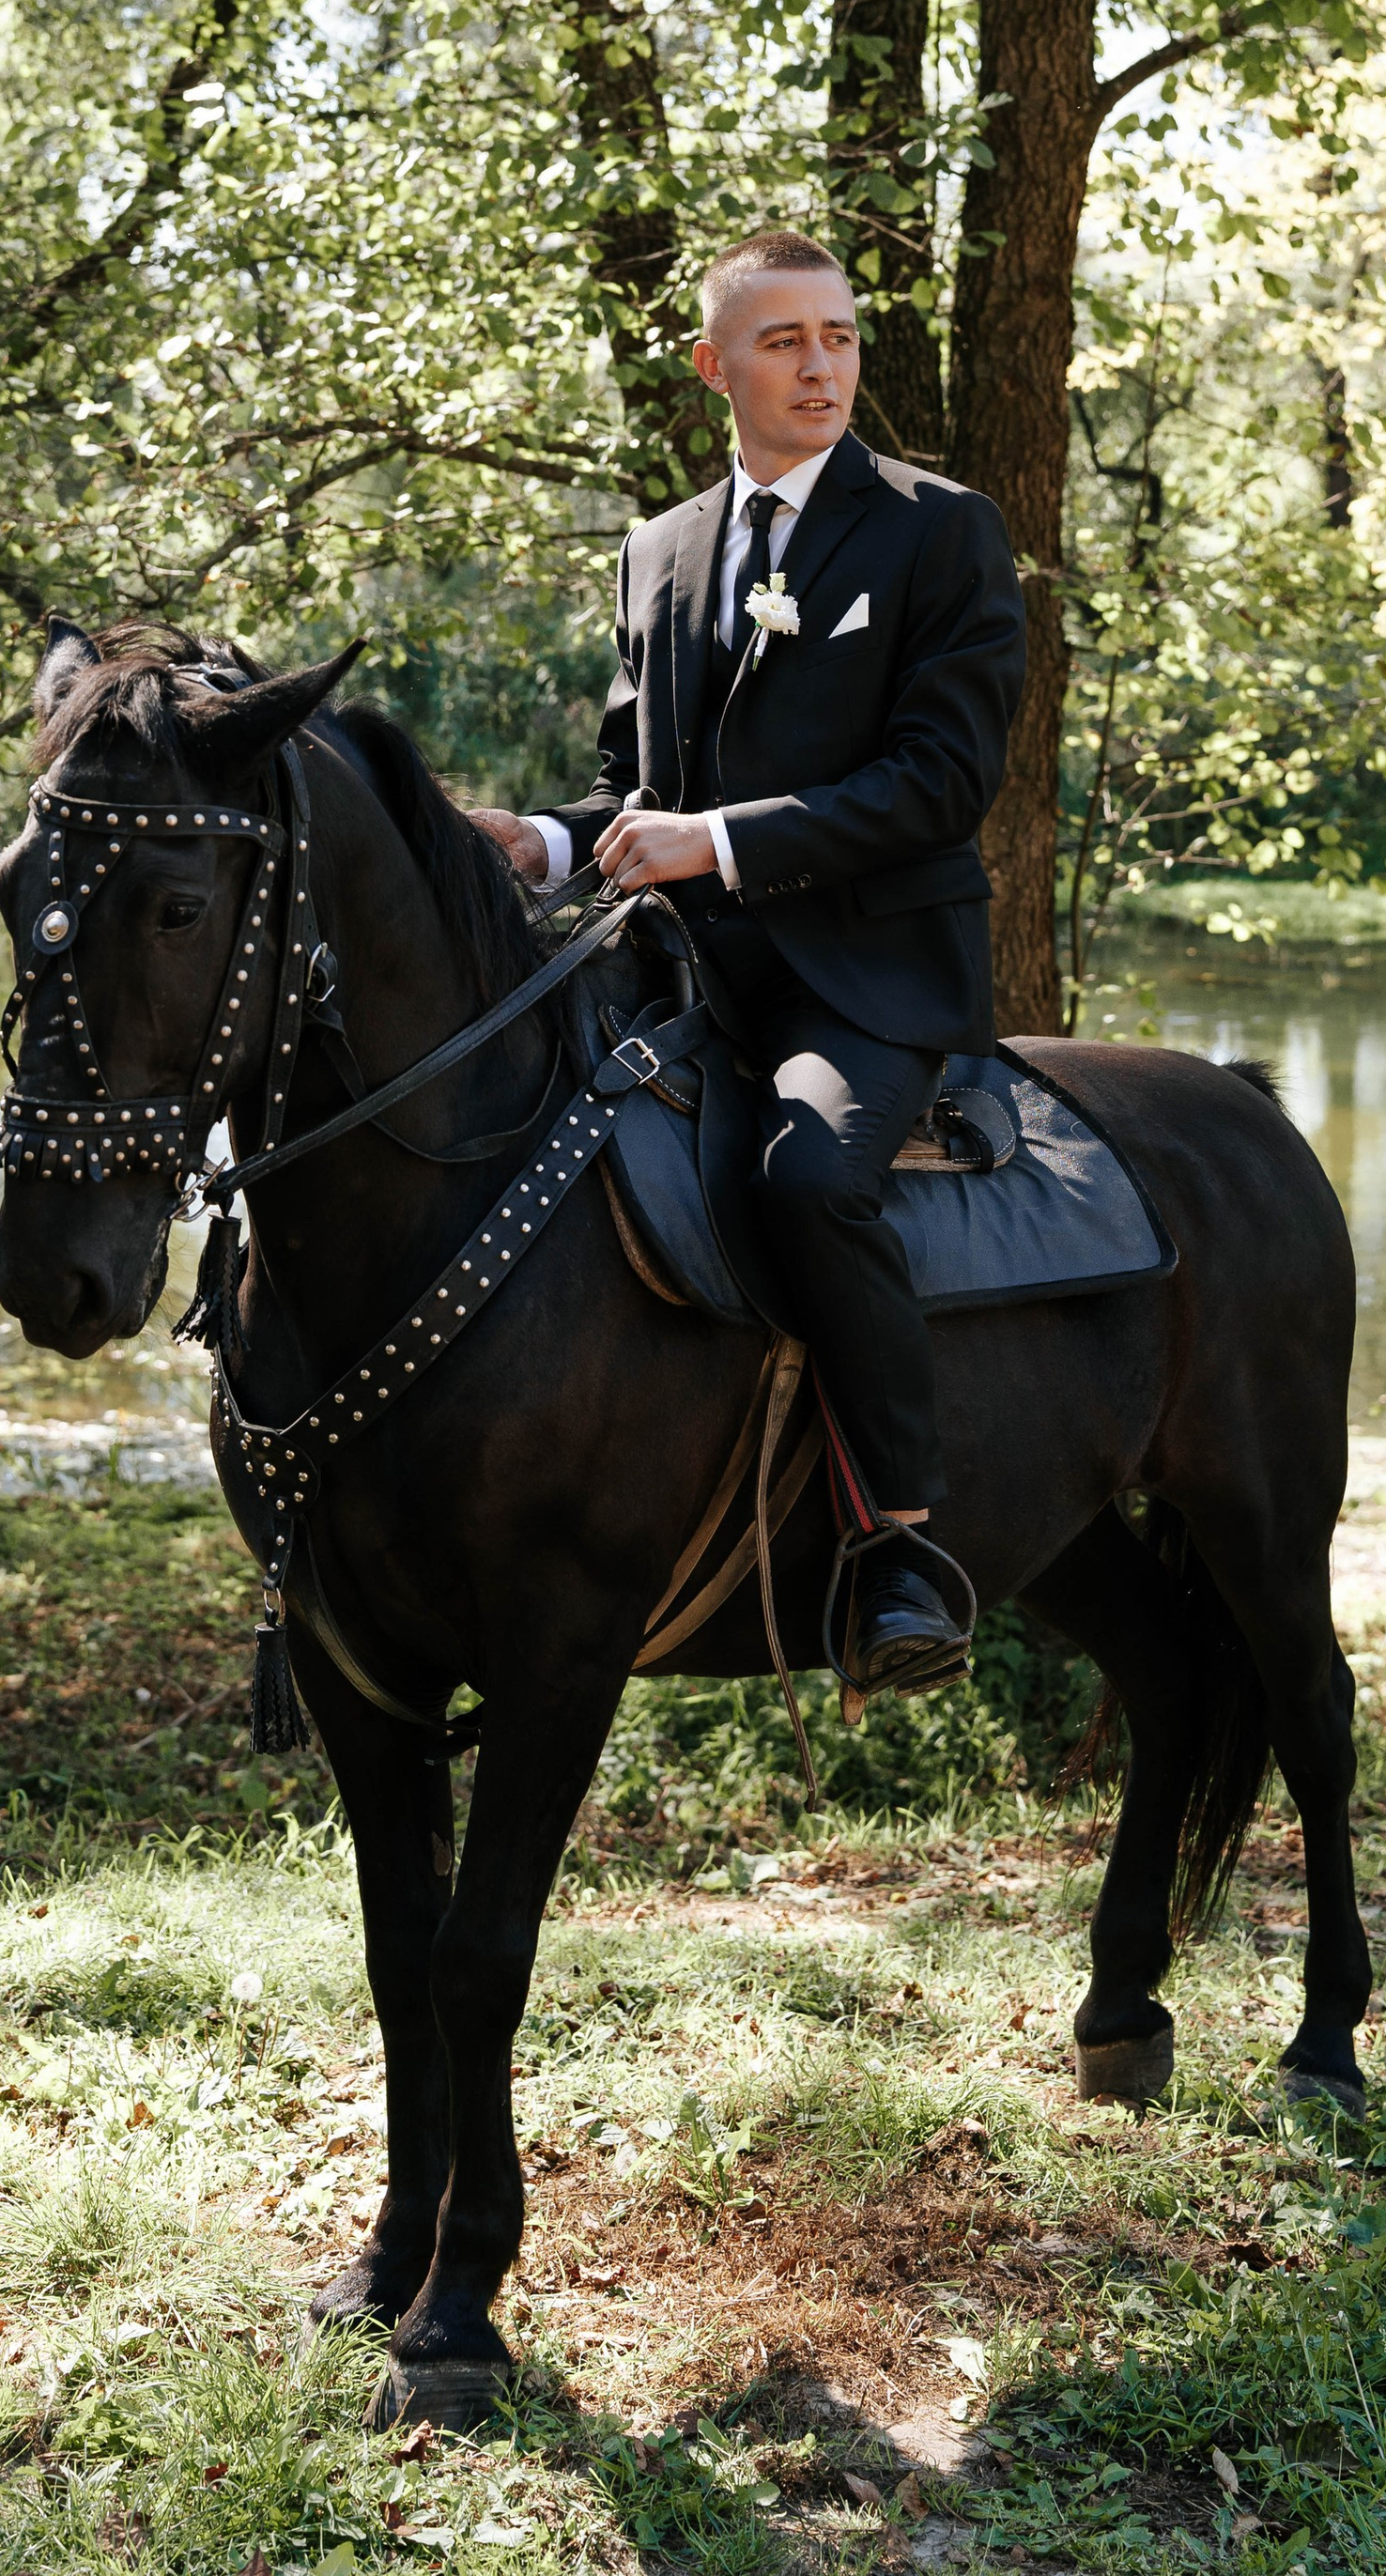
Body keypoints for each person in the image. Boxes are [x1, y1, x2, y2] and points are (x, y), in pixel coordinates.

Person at [470, 228, 1024, 1696]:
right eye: (784, 341)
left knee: (807, 1180)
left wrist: (711, 842)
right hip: (671, 977)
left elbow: (938, 784)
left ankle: (899, 1541)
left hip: (867, 981)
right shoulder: (659, 550)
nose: (822, 365)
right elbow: (626, 788)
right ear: (716, 366)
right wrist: (532, 841)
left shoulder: (937, 529)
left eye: (838, 337)